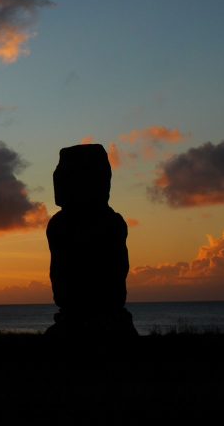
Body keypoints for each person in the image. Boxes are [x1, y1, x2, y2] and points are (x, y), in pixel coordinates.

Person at [45, 144, 137, 338]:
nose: (57, 180)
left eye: (65, 175)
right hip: (76, 318)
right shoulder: (60, 225)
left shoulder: (110, 223)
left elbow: (116, 271)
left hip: (104, 318)